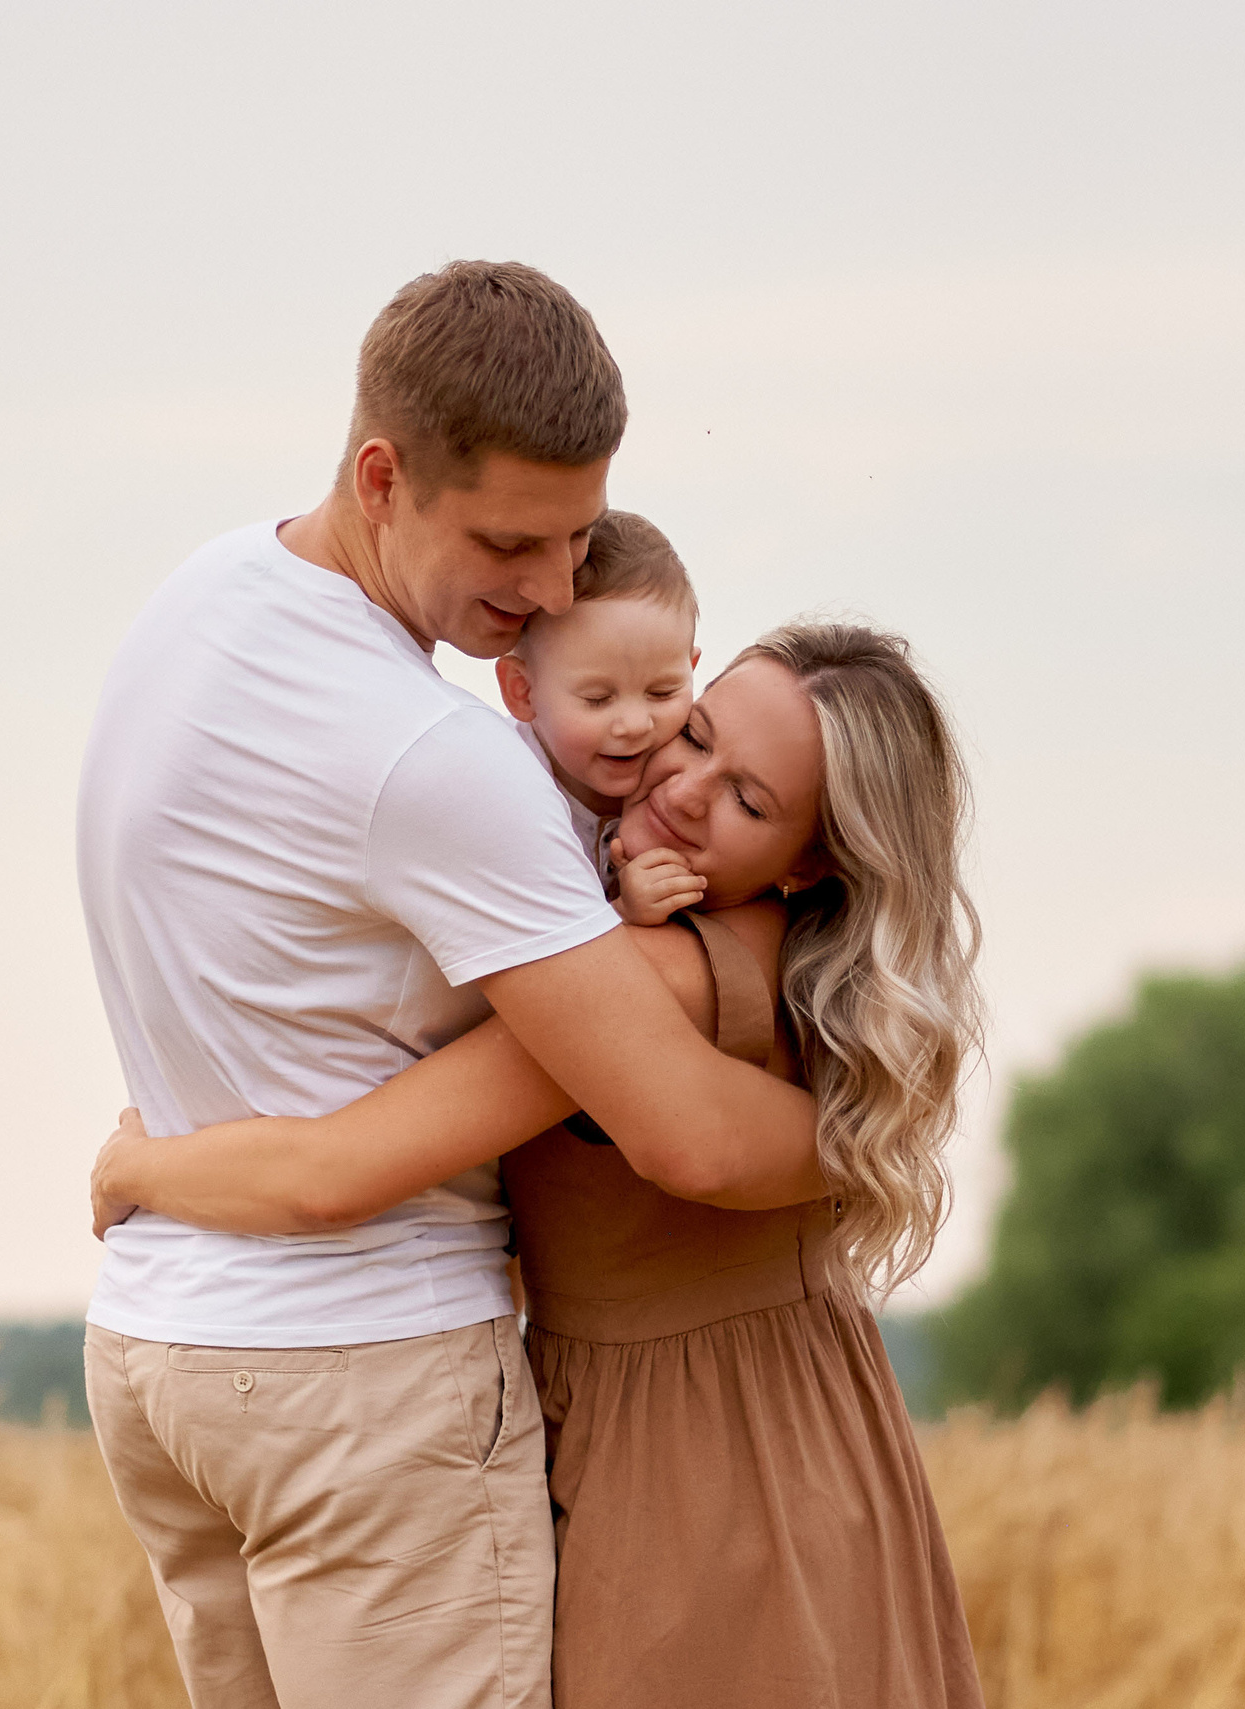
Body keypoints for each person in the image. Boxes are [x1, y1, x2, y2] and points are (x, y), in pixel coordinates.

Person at [74, 261, 820, 1709]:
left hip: (164, 1359)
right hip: (360, 1380)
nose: (551, 592)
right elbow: (683, 1134)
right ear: (382, 474)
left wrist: (160, 1164)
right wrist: (886, 1146)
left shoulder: (195, 604)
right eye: (509, 541)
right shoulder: (438, 759)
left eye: (582, 537)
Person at [94, 622, 989, 1708]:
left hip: (700, 1468)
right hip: (775, 1417)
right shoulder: (736, 955)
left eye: (749, 799)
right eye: (694, 734)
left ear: (812, 860)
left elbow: (329, 1172)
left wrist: (142, 1167)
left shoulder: (657, 981)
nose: (686, 787)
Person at [493, 507, 708, 923]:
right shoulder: (504, 791)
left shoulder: (682, 784)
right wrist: (623, 913)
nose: (635, 725)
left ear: (692, 669)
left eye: (663, 692)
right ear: (522, 691)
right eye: (597, 699)